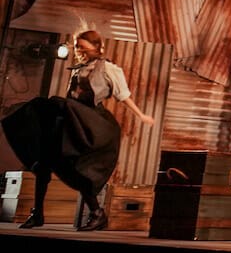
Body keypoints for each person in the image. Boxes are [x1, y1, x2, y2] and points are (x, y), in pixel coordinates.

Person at [1, 30, 155, 231]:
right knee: (44, 164)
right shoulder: (77, 69)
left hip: (90, 123)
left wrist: (141, 115)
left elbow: (122, 95)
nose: (79, 50)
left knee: (80, 167)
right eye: (77, 46)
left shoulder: (108, 69)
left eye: (83, 46)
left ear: (97, 48)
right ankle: (39, 213)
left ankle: (96, 214)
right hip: (70, 121)